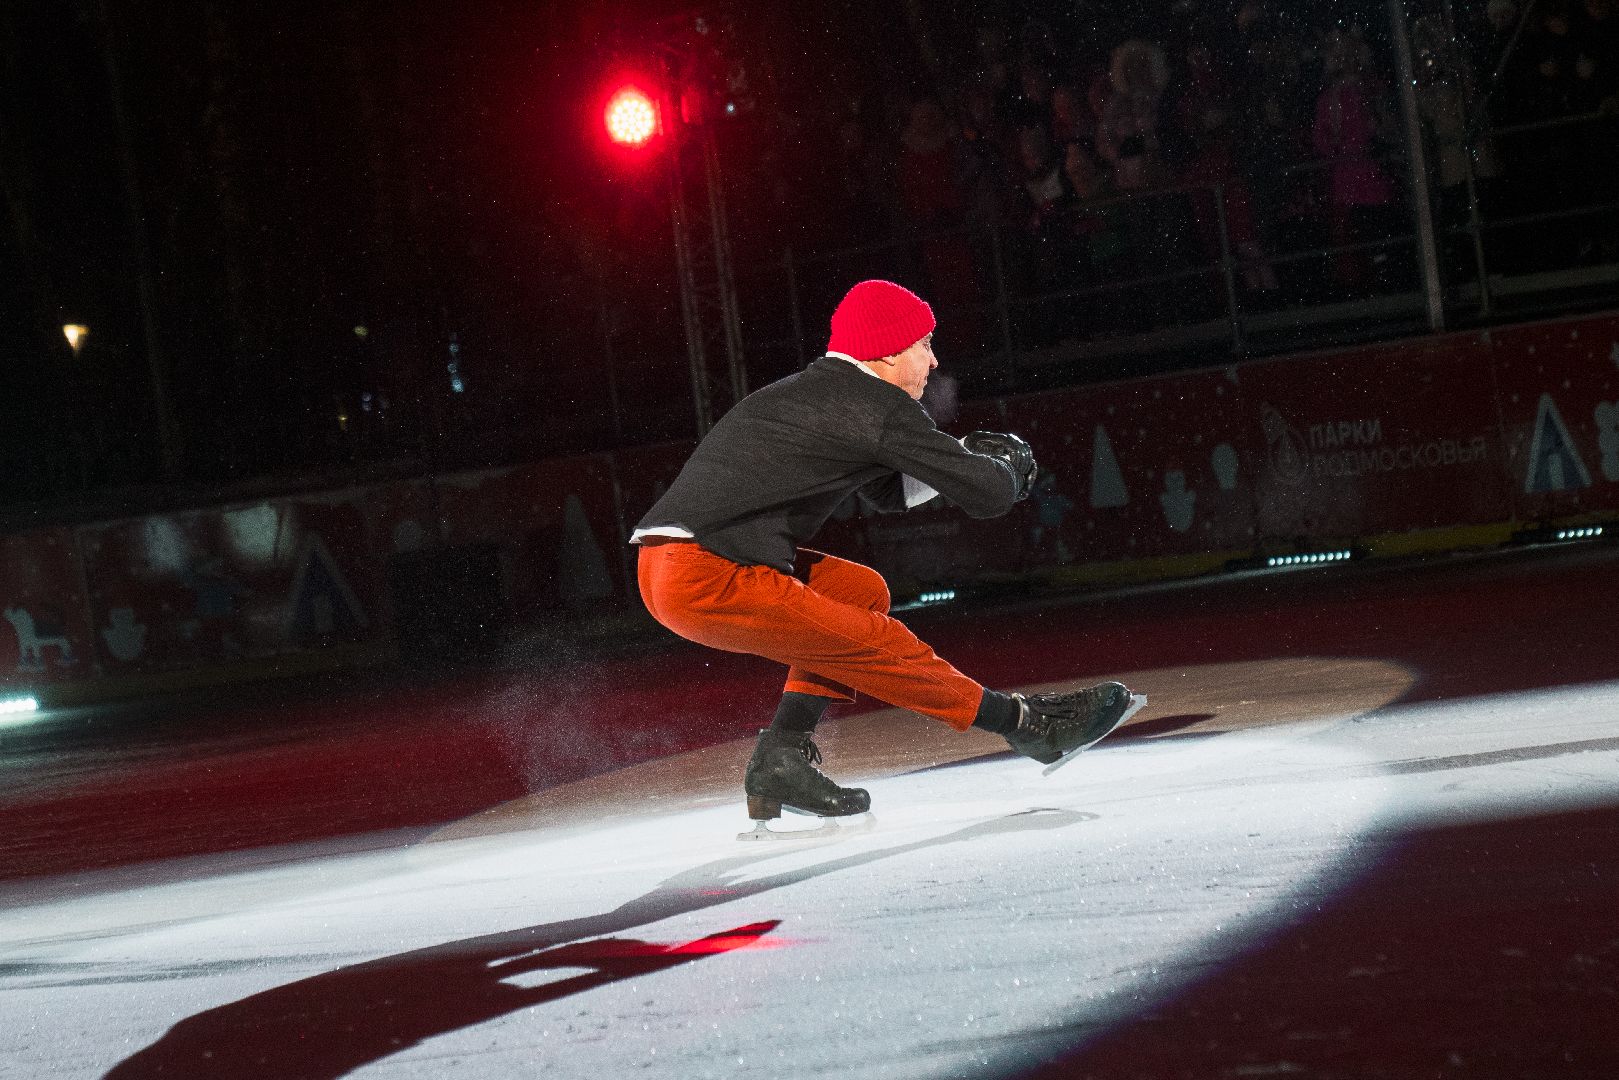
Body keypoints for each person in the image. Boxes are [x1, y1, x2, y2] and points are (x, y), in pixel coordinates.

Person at [632, 280, 1142, 833]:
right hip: (707, 573)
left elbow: (889, 493)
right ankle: (1026, 725)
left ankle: (781, 757)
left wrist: (961, 463)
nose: (933, 359)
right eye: (924, 345)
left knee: (859, 593)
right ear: (888, 350)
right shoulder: (876, 404)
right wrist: (1003, 470)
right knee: (874, 644)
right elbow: (989, 496)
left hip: (670, 565)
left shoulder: (822, 390)